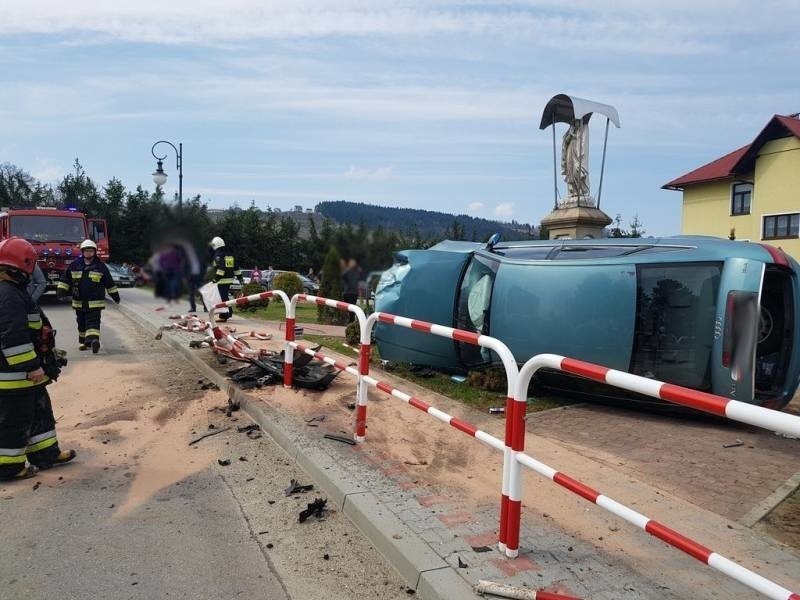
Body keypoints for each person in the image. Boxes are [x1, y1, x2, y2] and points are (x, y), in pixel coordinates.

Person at [0, 237, 76, 481]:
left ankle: (45, 455)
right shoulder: (7, 295)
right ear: (25, 264)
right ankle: (8, 467)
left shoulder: (13, 291)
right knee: (15, 420)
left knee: (40, 413)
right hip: (14, 377)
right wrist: (32, 366)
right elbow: (13, 336)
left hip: (25, 376)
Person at [57, 239, 120, 354]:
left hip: (95, 302)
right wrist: (62, 290)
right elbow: (66, 278)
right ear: (82, 251)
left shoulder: (100, 266)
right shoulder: (75, 265)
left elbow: (109, 283)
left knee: (93, 322)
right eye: (86, 251)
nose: (88, 253)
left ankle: (94, 340)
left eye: (91, 251)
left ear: (94, 252)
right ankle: (83, 342)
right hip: (79, 301)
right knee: (81, 322)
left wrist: (115, 296)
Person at [208, 236, 243, 322]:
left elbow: (221, 269)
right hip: (229, 279)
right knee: (224, 297)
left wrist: (215, 279)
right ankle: (228, 313)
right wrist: (240, 279)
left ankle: (225, 315)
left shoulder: (218, 255)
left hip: (221, 280)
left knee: (222, 298)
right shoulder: (230, 254)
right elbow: (236, 268)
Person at [341, 258, 360, 322]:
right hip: (347, 292)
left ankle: (351, 321)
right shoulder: (347, 272)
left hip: (353, 292)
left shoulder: (357, 272)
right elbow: (342, 275)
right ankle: (347, 319)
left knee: (352, 308)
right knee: (346, 307)